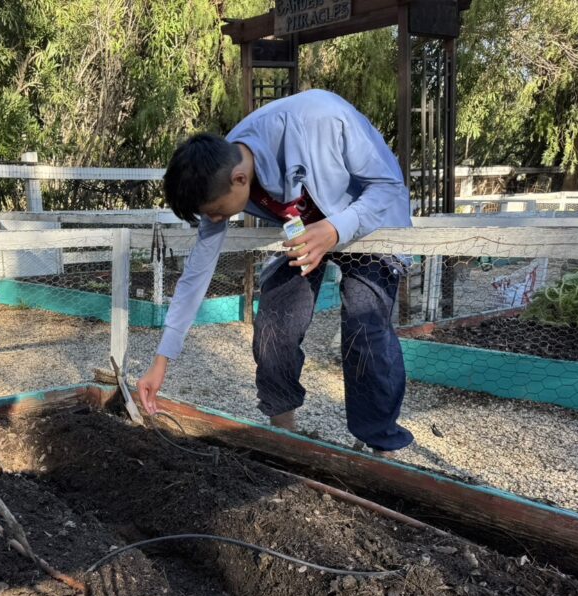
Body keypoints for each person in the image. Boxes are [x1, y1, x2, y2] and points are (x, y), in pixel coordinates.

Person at [137, 89, 414, 454]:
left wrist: (335, 229)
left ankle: (382, 451)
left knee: (366, 330)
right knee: (273, 326)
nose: (215, 220)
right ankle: (286, 441)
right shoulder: (220, 174)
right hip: (304, 234)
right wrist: (161, 360)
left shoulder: (322, 119)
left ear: (240, 179)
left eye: (216, 212)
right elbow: (196, 274)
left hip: (370, 226)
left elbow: (389, 186)